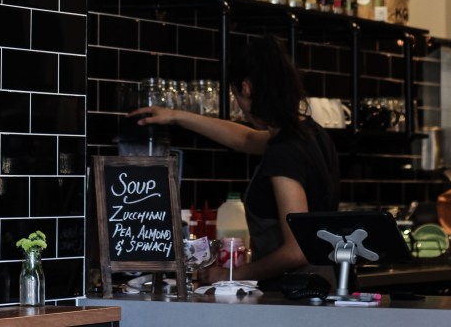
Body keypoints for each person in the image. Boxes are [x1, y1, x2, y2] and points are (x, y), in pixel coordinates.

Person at [132, 35, 340, 288]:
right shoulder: (310, 133)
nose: (239, 106)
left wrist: (232, 274)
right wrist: (176, 116)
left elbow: (296, 251)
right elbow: (245, 139)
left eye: (235, 96)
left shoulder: (284, 152)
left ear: (247, 88)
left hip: (298, 294)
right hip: (321, 286)